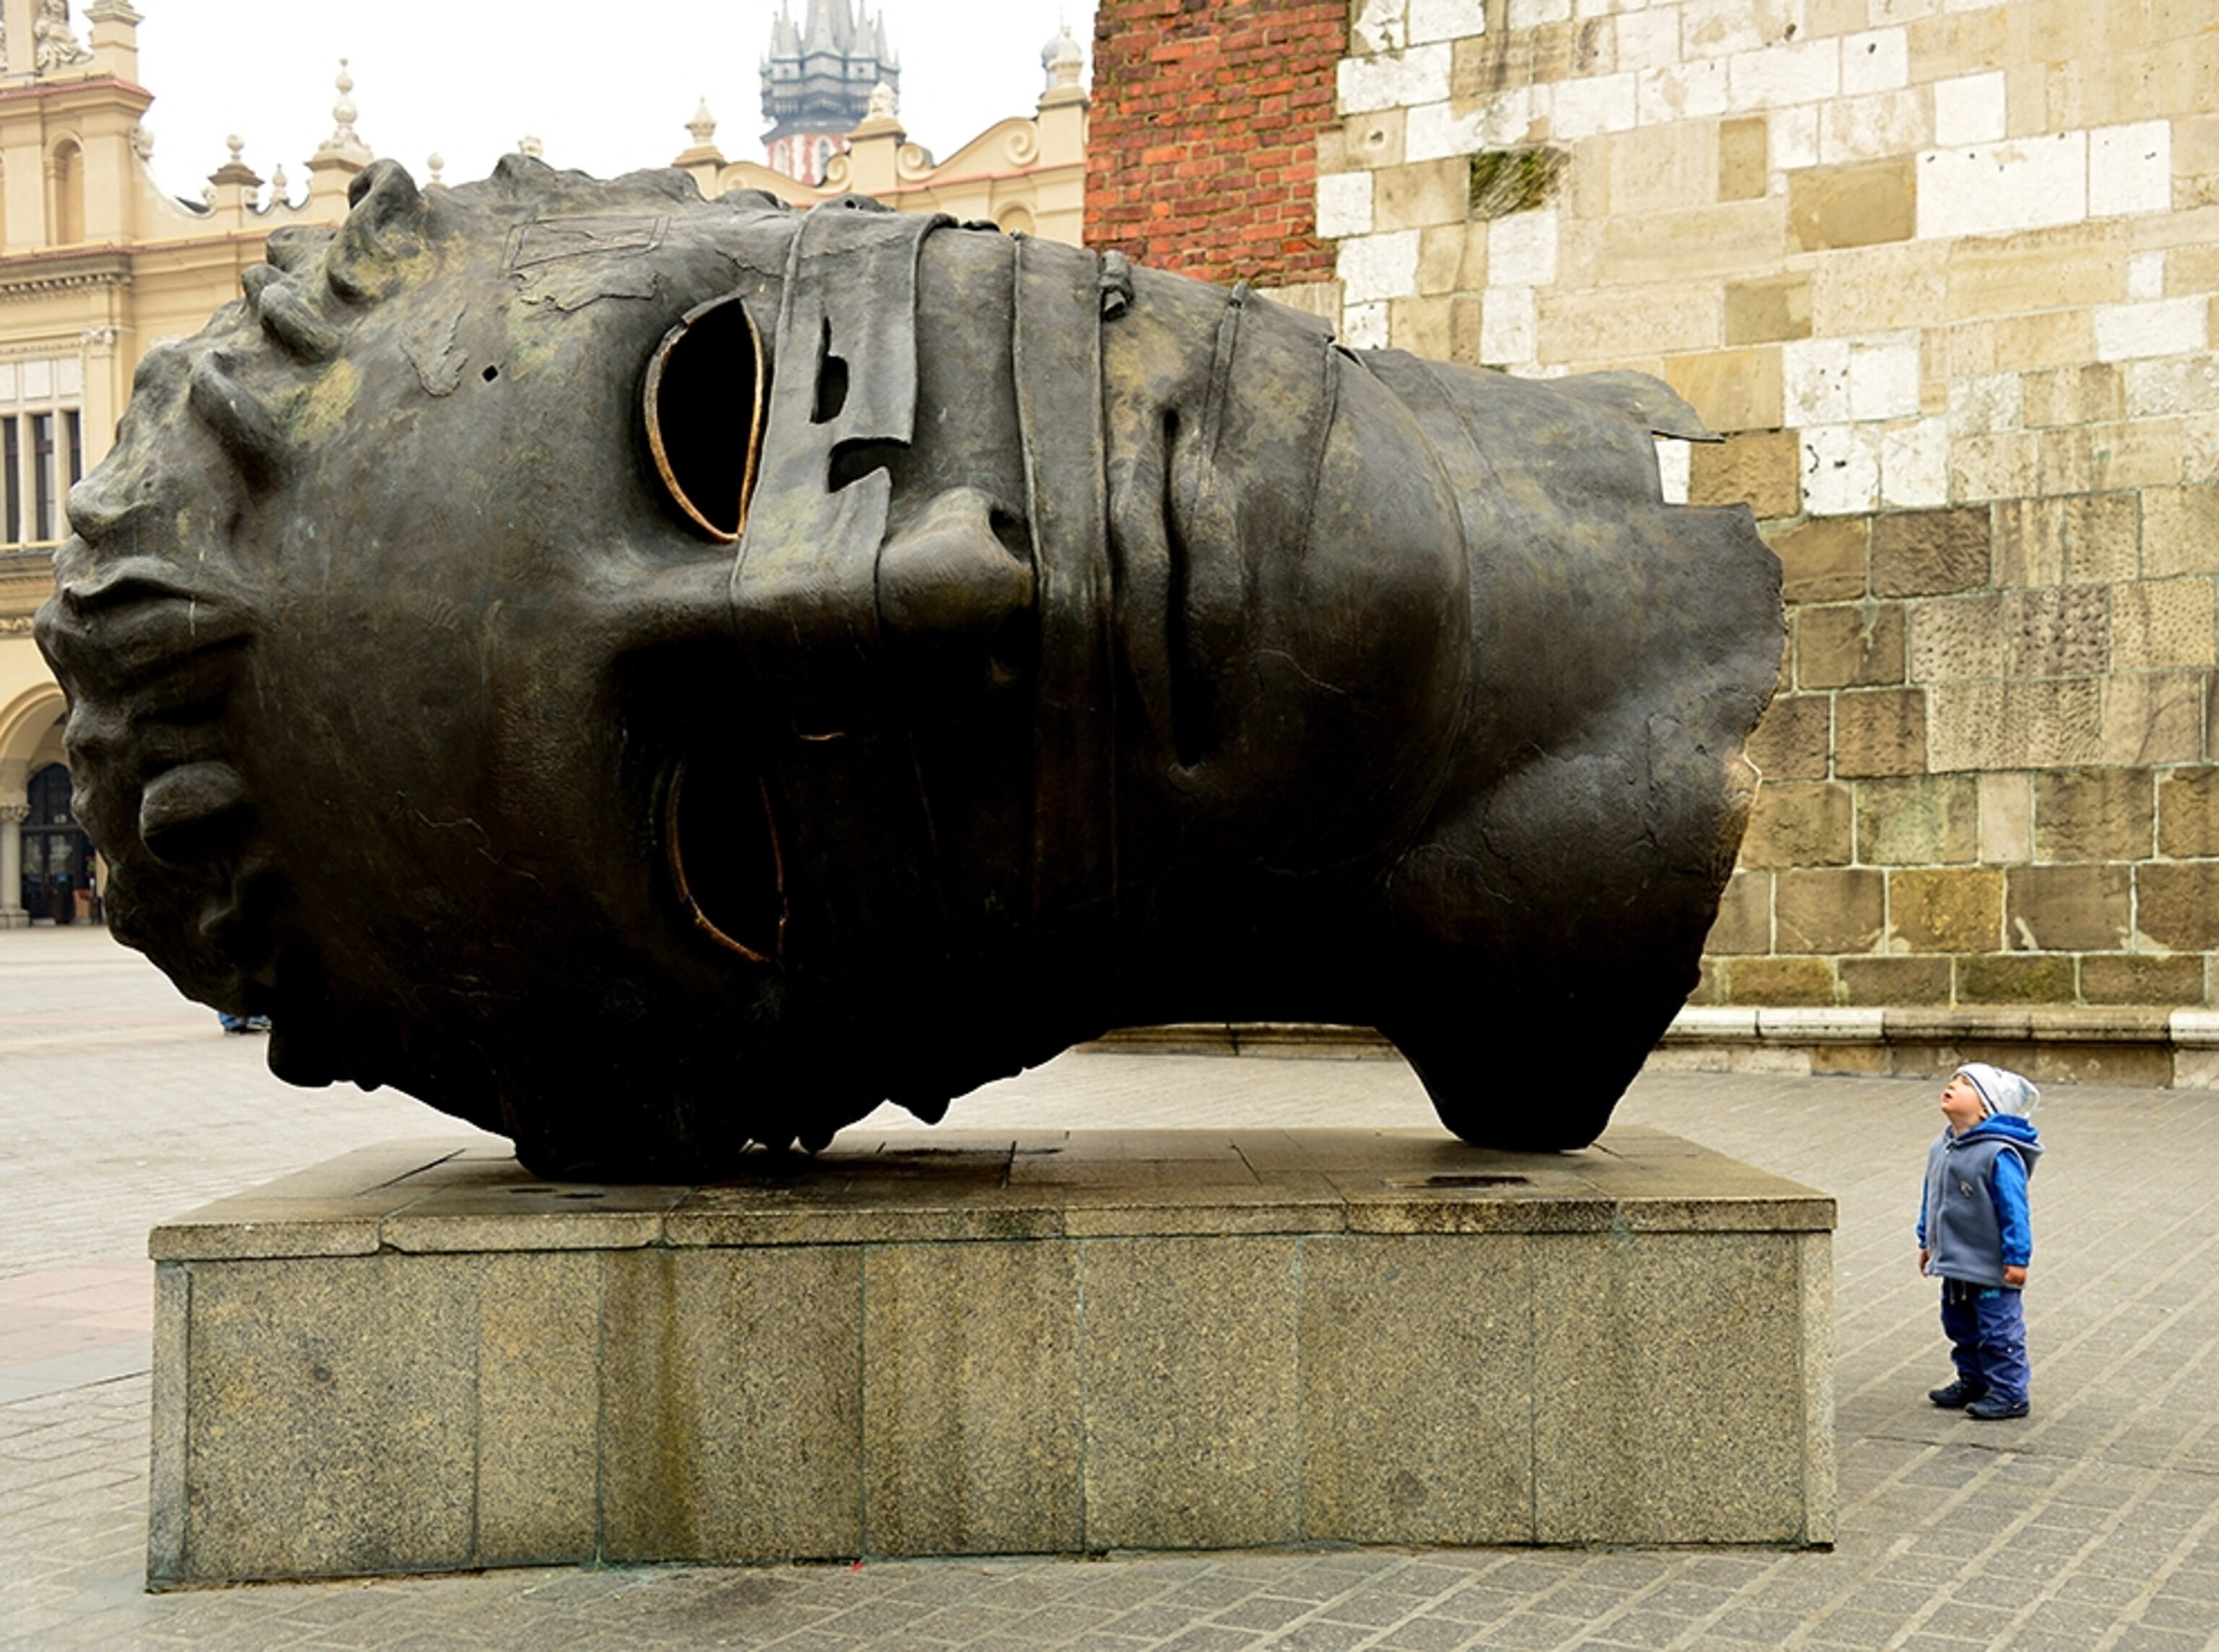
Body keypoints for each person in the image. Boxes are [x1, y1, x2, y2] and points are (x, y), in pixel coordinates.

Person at [1918, 1063, 2043, 1420]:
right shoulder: (1941, 1147)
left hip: (1991, 1265)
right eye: (1953, 1080)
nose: (1952, 1085)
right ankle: (1974, 1379)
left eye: (1965, 1083)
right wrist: (1926, 1239)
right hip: (1955, 1261)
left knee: (1998, 1328)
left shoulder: (1999, 1154)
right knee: (1959, 1322)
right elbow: (1932, 1196)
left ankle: (2010, 1392)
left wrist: (2017, 1257)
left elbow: (2014, 1209)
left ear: (1987, 1105)